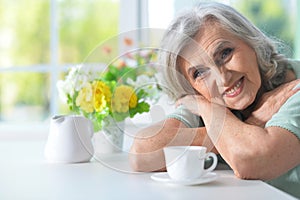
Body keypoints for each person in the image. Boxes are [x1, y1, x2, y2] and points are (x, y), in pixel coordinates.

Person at [129, 2, 300, 198]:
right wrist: (237, 120)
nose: (222, 78)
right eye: (200, 72)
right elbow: (142, 153)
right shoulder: (204, 100)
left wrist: (216, 120)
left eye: (225, 53)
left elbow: (253, 162)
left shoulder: (294, 88)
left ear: (253, 43)